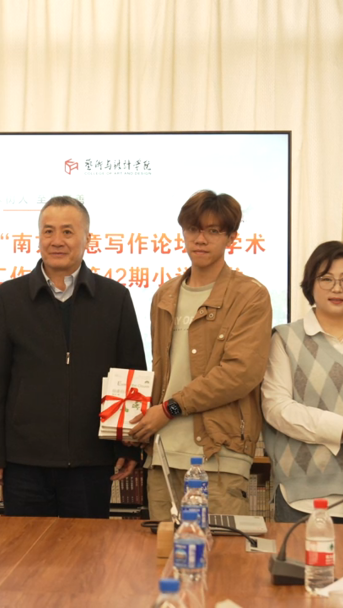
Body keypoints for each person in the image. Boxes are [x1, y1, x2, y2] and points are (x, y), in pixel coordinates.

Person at [0, 196, 147, 518]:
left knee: (85, 550)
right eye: (48, 231)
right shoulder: (8, 298)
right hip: (24, 461)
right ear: (38, 237)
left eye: (68, 232)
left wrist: (128, 445)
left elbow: (131, 376)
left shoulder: (115, 298)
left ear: (87, 239)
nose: (57, 241)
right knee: (25, 548)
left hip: (91, 460)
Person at [129, 190, 272, 521]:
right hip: (162, 454)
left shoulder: (250, 295)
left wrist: (170, 408)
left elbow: (240, 373)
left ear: (231, 237)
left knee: (220, 551)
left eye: (213, 231)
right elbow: (162, 372)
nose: (201, 239)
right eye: (193, 229)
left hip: (219, 455)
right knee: (163, 550)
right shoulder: (164, 295)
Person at [260, 241, 343, 524]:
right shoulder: (285, 338)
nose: (337, 288)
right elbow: (276, 408)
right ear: (310, 284)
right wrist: (338, 428)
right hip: (301, 495)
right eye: (326, 279)